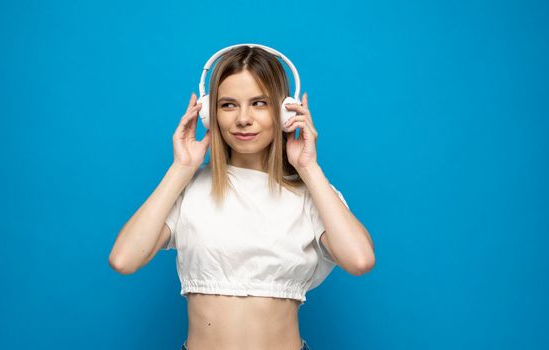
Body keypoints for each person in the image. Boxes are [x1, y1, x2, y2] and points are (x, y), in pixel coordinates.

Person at [109, 45, 376, 350]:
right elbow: (123, 260)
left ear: (284, 111)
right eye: (228, 105)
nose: (243, 119)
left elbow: (360, 260)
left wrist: (308, 168)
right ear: (210, 114)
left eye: (259, 103)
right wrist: (180, 169)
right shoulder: (189, 189)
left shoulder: (310, 193)